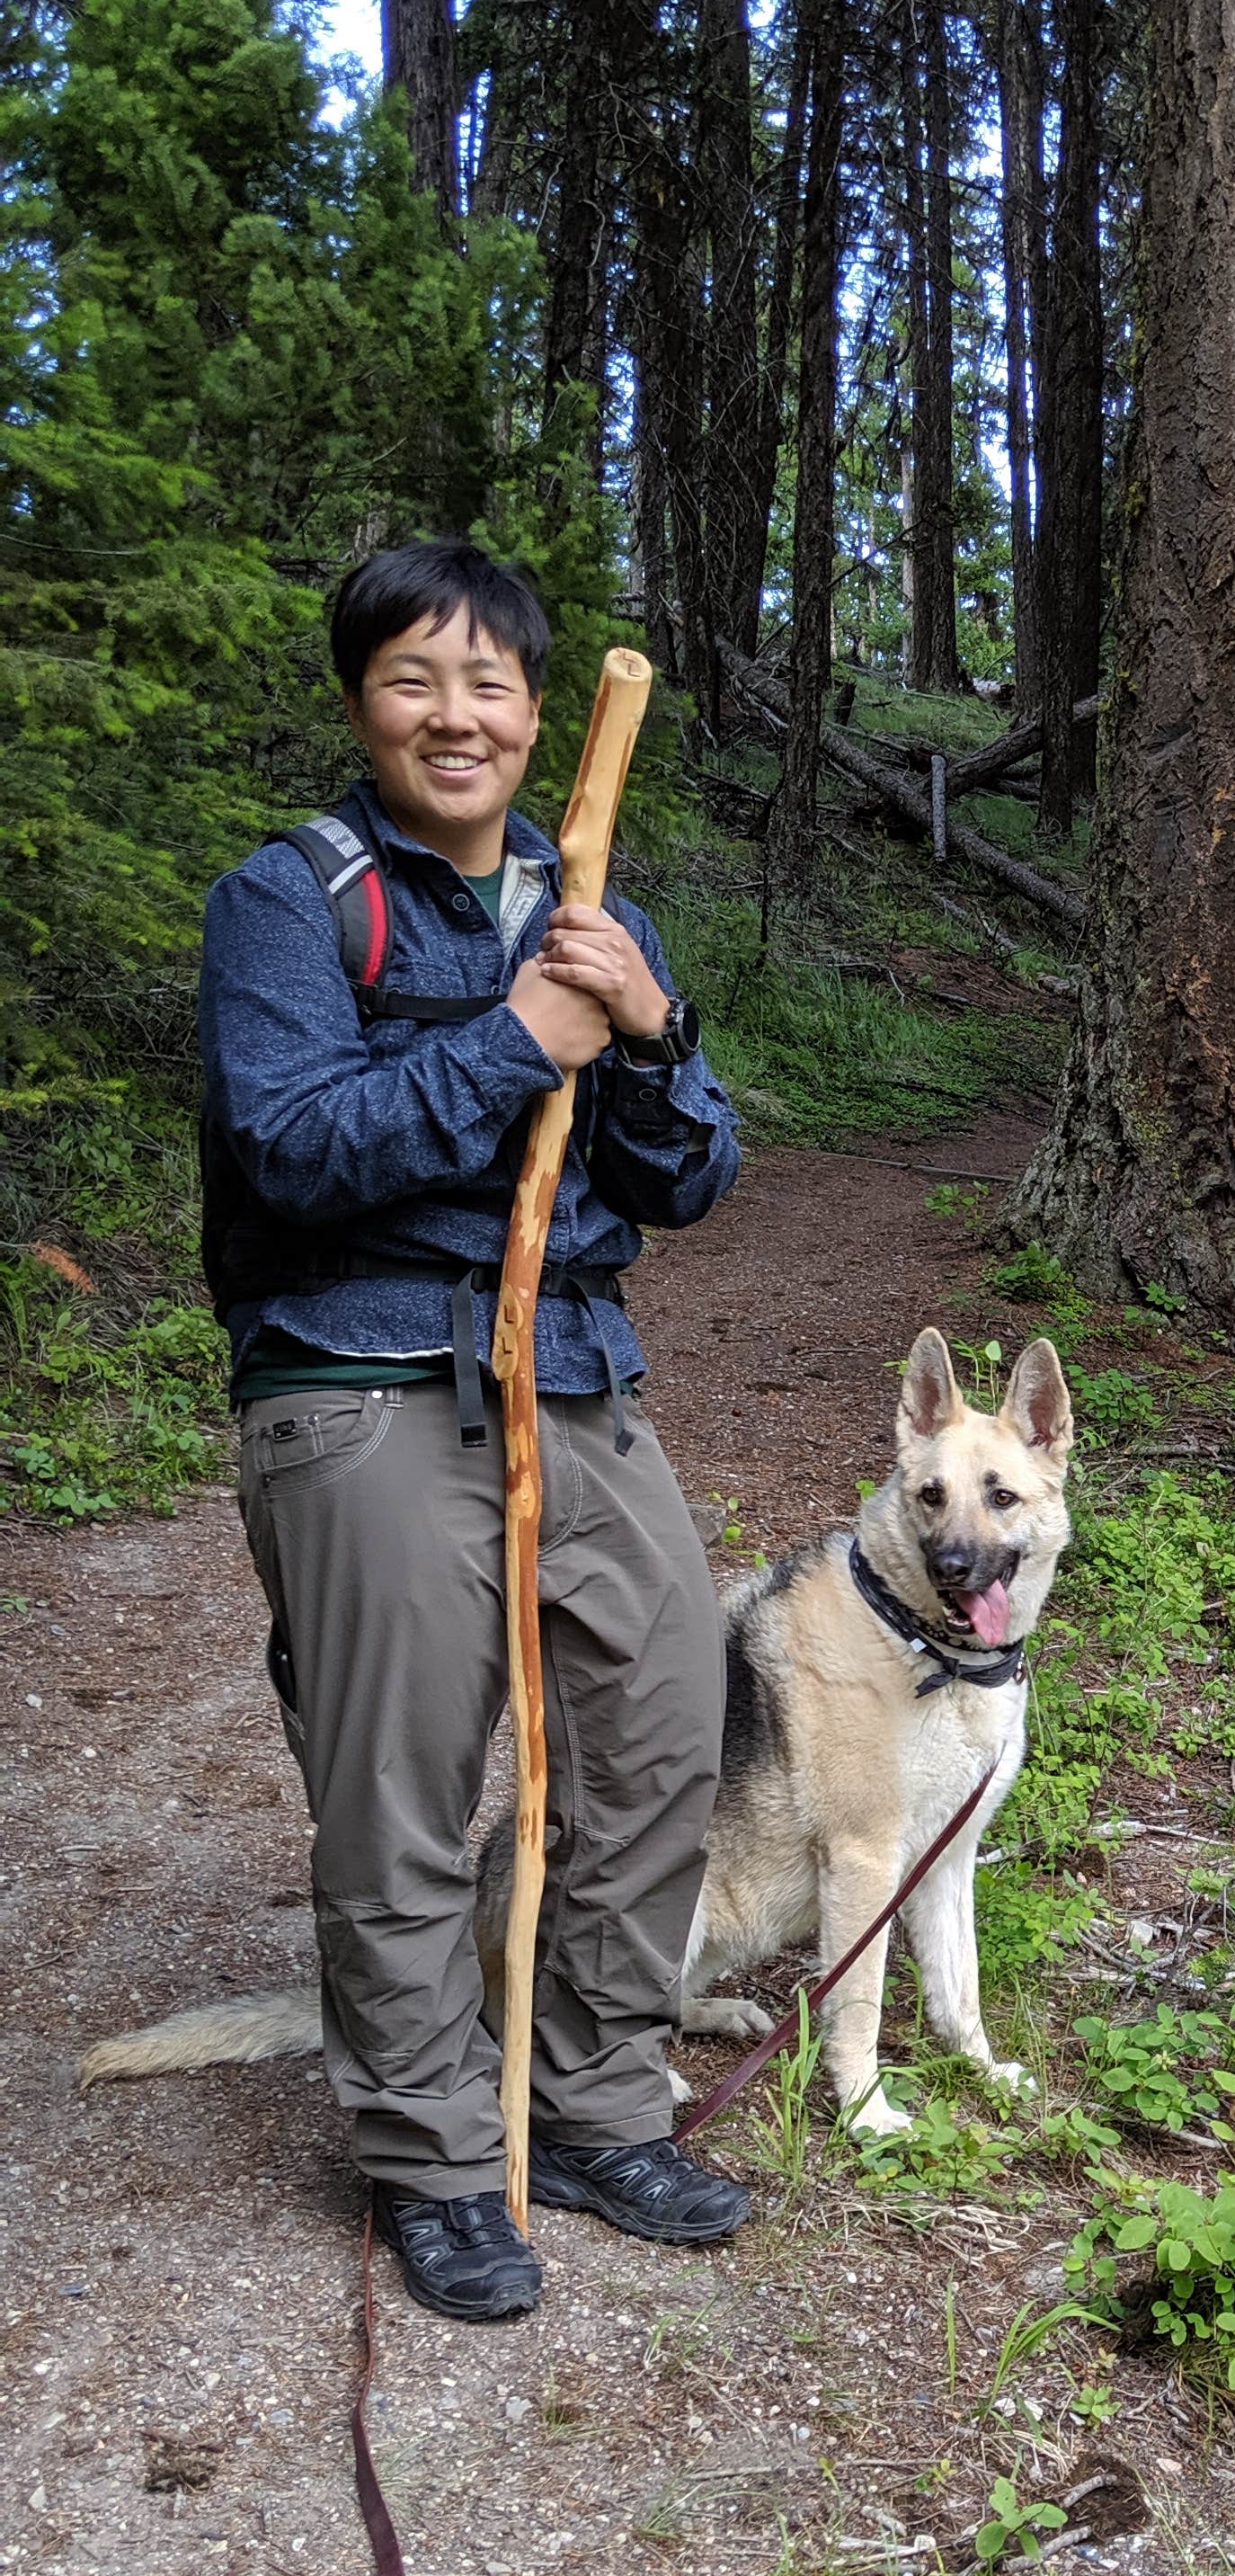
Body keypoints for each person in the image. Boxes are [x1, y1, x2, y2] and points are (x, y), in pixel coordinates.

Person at [198, 539, 752, 2321]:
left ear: (532, 711)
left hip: (575, 1372)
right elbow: (292, 1149)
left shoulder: (594, 906)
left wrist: (651, 1036)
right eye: (414, 680)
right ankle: (438, 2153)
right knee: (400, 1786)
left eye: (490, 684)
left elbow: (689, 1175)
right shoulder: (292, 900)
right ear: (365, 703)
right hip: (354, 1372)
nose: (459, 715)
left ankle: (591, 2101)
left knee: (667, 1724)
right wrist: (520, 1038)